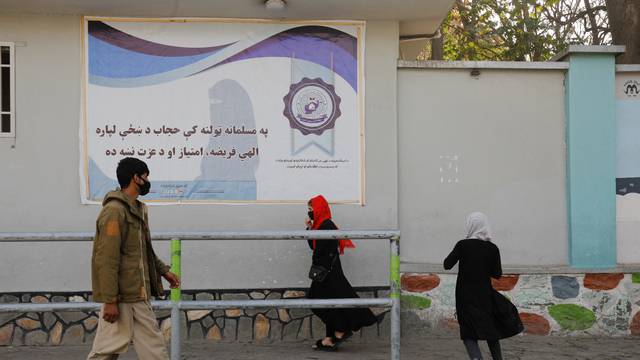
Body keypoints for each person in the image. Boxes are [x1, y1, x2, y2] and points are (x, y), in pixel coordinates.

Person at [88, 157, 180, 360]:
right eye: (146, 177)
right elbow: (106, 259)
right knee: (106, 351)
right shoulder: (114, 211)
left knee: (154, 351)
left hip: (138, 293)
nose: (148, 181)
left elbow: (144, 251)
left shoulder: (137, 209)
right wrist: (110, 301)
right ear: (136, 178)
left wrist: (164, 271)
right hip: (122, 297)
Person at [443, 212, 522, 360]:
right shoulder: (492, 248)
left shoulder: (462, 245)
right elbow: (497, 273)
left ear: (470, 226)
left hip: (464, 295)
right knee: (490, 329)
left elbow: (447, 265)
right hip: (484, 295)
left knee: (468, 331)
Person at [305, 195, 377, 351]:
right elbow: (314, 246)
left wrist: (317, 264)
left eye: (311, 209)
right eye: (309, 210)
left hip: (327, 273)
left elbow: (321, 251)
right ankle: (330, 338)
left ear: (319, 209)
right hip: (327, 272)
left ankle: (340, 329)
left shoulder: (327, 226)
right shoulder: (321, 225)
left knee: (315, 300)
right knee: (329, 302)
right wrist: (310, 229)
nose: (309, 212)